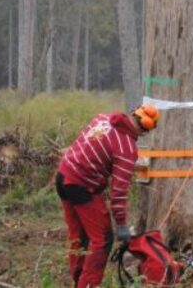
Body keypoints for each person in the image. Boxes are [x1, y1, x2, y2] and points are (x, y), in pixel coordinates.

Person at [56, 104, 160, 288]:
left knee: (78, 237)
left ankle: (77, 280)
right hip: (81, 186)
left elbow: (94, 148)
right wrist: (121, 226)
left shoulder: (103, 119)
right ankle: (87, 285)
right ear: (144, 131)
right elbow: (118, 194)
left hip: (64, 174)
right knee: (102, 239)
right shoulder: (127, 148)